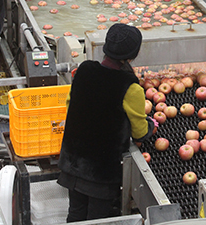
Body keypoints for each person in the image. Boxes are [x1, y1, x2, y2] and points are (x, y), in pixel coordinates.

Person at [57, 23, 156, 222]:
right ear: (133, 55)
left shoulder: (83, 71)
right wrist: (151, 124)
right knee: (98, 219)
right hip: (100, 172)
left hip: (72, 162)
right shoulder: (130, 87)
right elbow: (139, 131)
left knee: (75, 213)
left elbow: (71, 104)